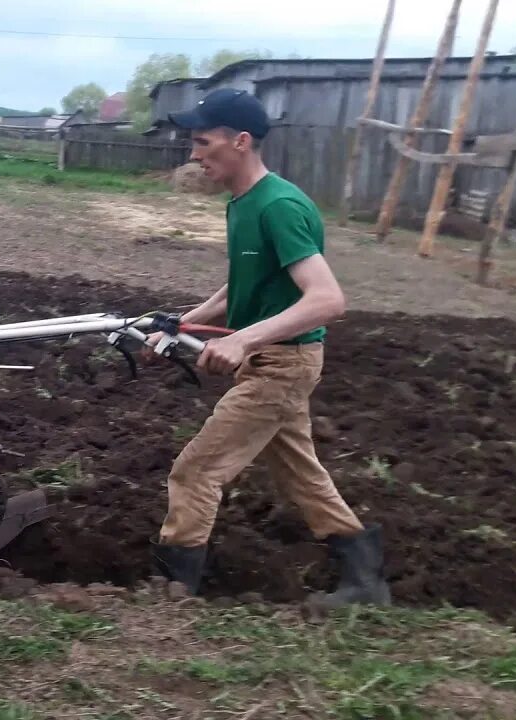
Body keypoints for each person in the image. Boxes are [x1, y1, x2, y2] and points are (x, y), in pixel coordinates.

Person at [147, 88, 390, 609]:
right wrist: (181, 323)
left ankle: (170, 598)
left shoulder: (278, 205)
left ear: (239, 141)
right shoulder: (245, 203)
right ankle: (365, 579)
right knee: (300, 472)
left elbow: (328, 300)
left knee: (196, 471)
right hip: (274, 358)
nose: (194, 154)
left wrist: (244, 338)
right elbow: (244, 285)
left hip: (282, 364)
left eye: (202, 142)